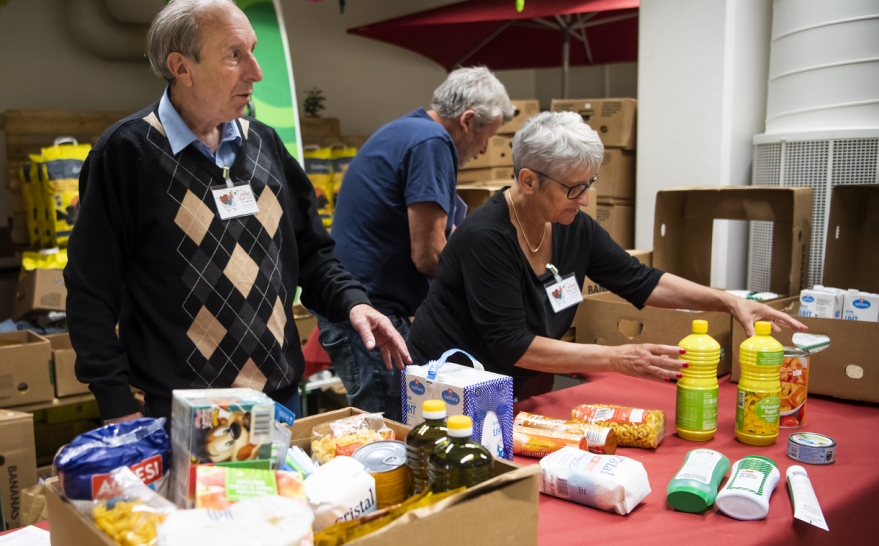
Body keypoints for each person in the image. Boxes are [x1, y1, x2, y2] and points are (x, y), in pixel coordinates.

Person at [65, 0, 410, 424]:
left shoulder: (266, 144)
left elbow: (312, 253)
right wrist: (115, 403)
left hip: (280, 402)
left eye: (253, 50)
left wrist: (353, 303)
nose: (256, 71)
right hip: (186, 415)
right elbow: (90, 291)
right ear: (182, 67)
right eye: (234, 55)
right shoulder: (127, 153)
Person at [407, 111, 807, 397]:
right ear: (528, 180)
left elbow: (639, 280)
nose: (584, 199)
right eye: (573, 188)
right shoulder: (488, 237)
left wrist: (728, 302)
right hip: (451, 386)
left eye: (590, 184)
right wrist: (618, 357)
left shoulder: (571, 225)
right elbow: (512, 343)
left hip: (518, 382)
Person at [317, 67, 514, 421]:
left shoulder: (409, 129)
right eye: (488, 137)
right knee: (389, 428)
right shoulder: (433, 143)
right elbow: (430, 254)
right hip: (372, 314)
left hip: (360, 303)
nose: (485, 149)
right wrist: (485, 286)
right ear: (468, 120)